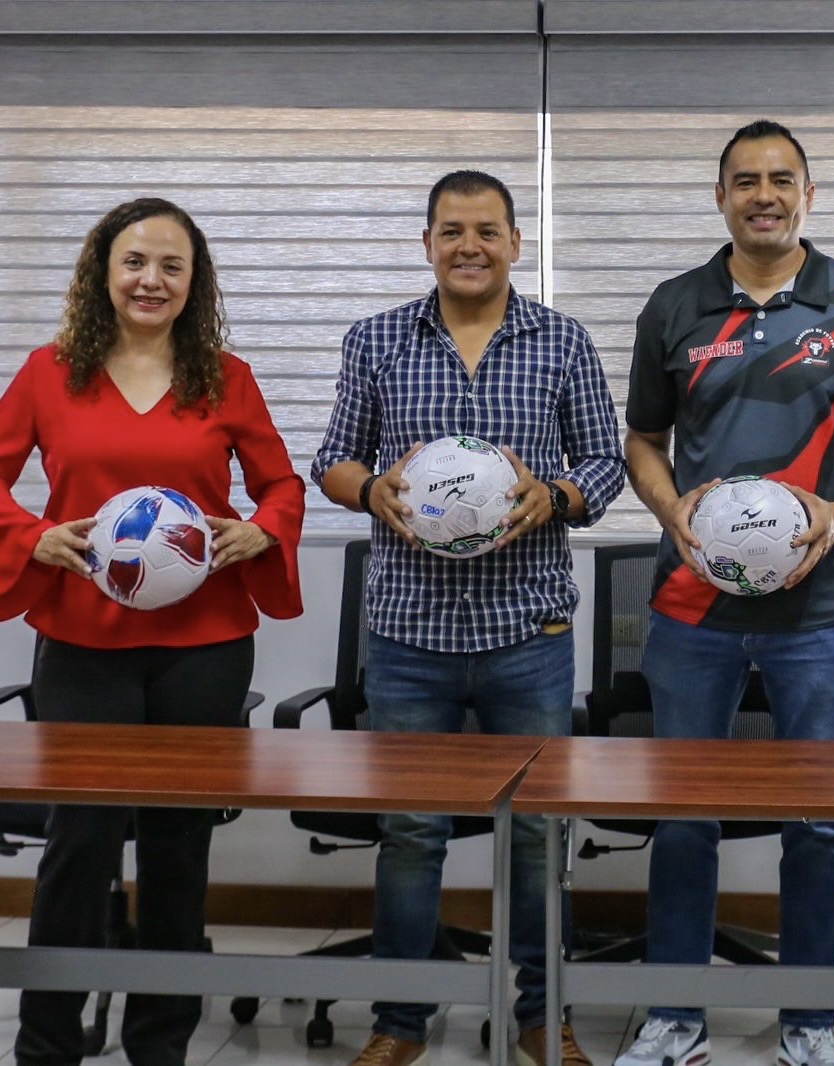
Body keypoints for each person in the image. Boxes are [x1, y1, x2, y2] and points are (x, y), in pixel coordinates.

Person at [312, 169, 624, 1066]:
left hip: (529, 631)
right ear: (427, 244)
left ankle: (540, 1015)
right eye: (451, 231)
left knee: (535, 836)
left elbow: (604, 462)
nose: (469, 246)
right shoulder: (376, 339)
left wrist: (555, 495)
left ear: (515, 243)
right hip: (409, 634)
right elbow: (332, 458)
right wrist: (371, 489)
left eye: (487, 230)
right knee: (412, 833)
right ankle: (399, 1022)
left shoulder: (561, 340)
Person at [615, 119, 834, 1066]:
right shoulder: (674, 305)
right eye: (745, 180)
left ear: (808, 195)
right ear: (720, 197)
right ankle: (675, 1017)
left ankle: (809, 1022)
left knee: (815, 821)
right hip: (690, 611)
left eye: (782, 179)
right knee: (683, 816)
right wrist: (671, 510)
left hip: (812, 616)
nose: (764, 195)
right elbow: (642, 441)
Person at [0, 197, 305, 1066]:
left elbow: (281, 488)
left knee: (178, 844)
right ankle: (47, 1044)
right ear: (103, 271)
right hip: (80, 644)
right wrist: (31, 536)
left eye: (173, 266)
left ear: (193, 282)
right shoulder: (48, 374)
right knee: (79, 842)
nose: (151, 280)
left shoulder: (226, 378)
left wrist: (261, 530)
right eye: (135, 261)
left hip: (204, 647)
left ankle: (160, 1044)